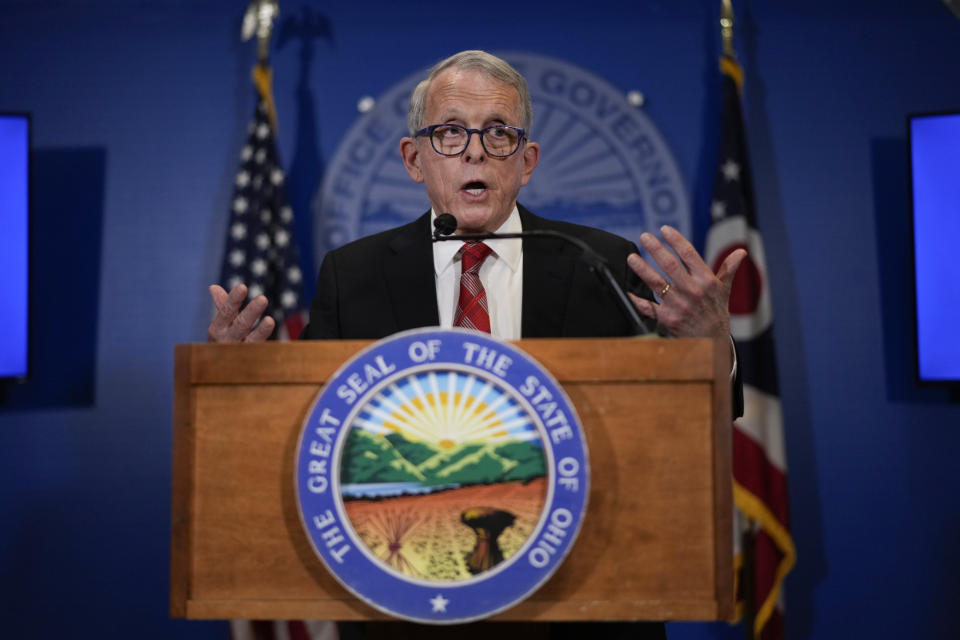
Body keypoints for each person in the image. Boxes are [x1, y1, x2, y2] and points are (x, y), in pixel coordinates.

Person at [207, 50, 746, 639]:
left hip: (584, 604)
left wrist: (709, 350)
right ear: (414, 159)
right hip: (411, 606)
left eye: (498, 134)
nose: (474, 151)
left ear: (527, 160)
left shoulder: (602, 264)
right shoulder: (354, 275)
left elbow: (675, 433)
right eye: (450, 132)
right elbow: (314, 433)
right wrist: (242, 392)